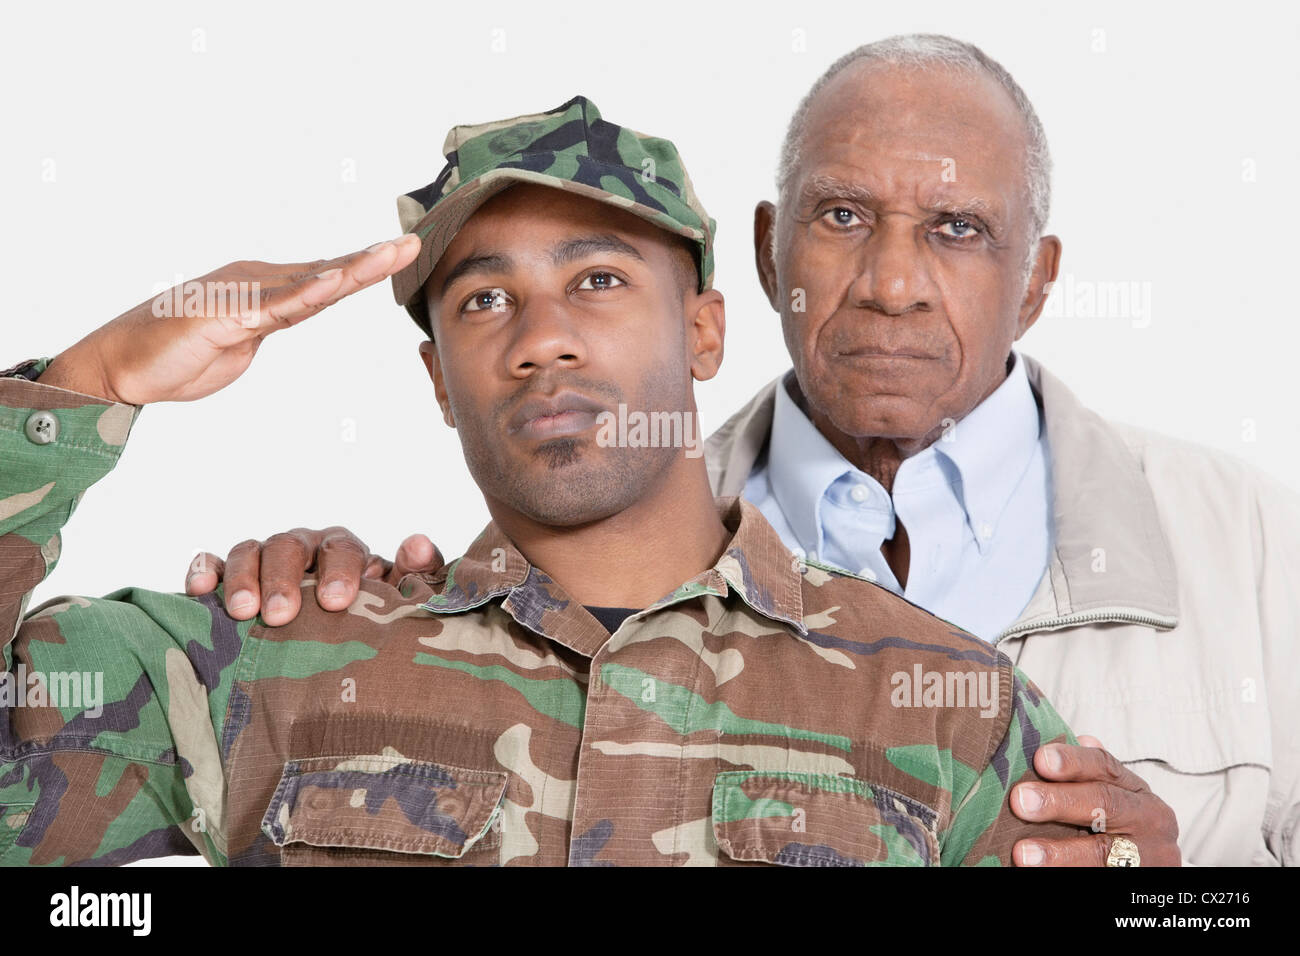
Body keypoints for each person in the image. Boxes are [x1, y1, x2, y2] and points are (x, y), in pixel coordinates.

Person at [196, 34, 1300, 868]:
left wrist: (1180, 898)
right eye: (842, 217)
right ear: (769, 255)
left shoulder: (1256, 547)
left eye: (958, 229)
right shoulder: (599, 510)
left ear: (1040, 278)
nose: (892, 281)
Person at [0, 96, 1079, 866]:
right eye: (482, 300)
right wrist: (95, 379)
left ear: (704, 331)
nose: (541, 339)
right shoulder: (259, 657)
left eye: (597, 279)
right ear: (436, 377)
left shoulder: (951, 706)